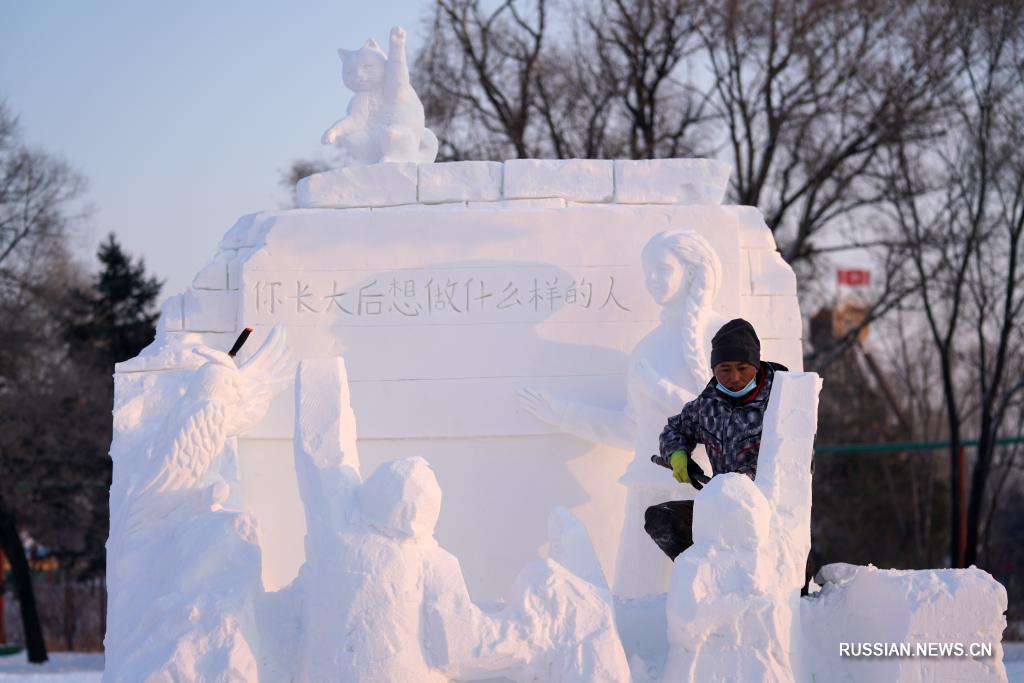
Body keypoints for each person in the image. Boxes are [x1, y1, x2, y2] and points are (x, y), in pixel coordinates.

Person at [517, 230, 727, 598]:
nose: (652, 281)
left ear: (691, 271)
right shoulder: (647, 348)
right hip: (647, 486)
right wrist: (564, 414)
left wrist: (661, 389)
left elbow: (727, 418)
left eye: (663, 269)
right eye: (648, 272)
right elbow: (631, 429)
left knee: (706, 597)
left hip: (704, 491)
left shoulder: (722, 337)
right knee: (636, 597)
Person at [645, 318, 787, 561]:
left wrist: (742, 485)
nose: (734, 377)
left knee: (791, 581)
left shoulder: (783, 400)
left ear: (756, 364)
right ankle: (708, 577)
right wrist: (678, 455)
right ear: (713, 369)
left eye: (742, 368)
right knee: (661, 519)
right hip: (721, 509)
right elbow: (675, 429)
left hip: (773, 518)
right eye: (725, 369)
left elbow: (793, 462)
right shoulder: (708, 405)